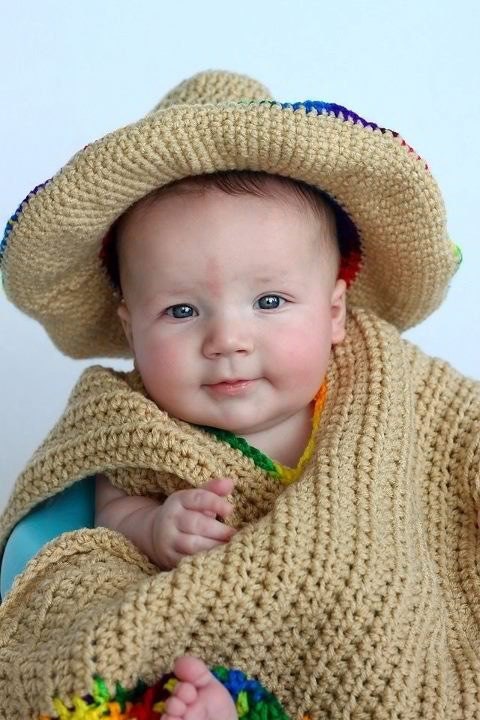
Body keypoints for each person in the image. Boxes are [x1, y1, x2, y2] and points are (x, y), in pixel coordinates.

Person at [0, 70, 478, 720]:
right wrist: (155, 527)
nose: (227, 338)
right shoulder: (129, 421)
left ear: (335, 311)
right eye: (180, 311)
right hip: (218, 629)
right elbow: (107, 515)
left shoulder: (388, 379)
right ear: (129, 326)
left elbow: (465, 436)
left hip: (384, 608)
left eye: (270, 301)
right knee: (105, 628)